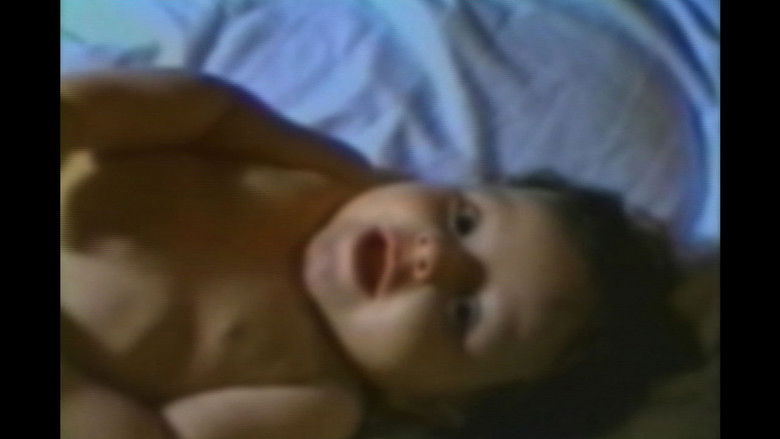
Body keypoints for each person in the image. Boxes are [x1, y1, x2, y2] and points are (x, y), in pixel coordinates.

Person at [60, 71, 701, 439]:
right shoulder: (331, 174)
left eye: (465, 314)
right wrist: (86, 111)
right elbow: (210, 110)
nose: (435, 257)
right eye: (464, 220)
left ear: (431, 405)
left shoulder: (315, 399)